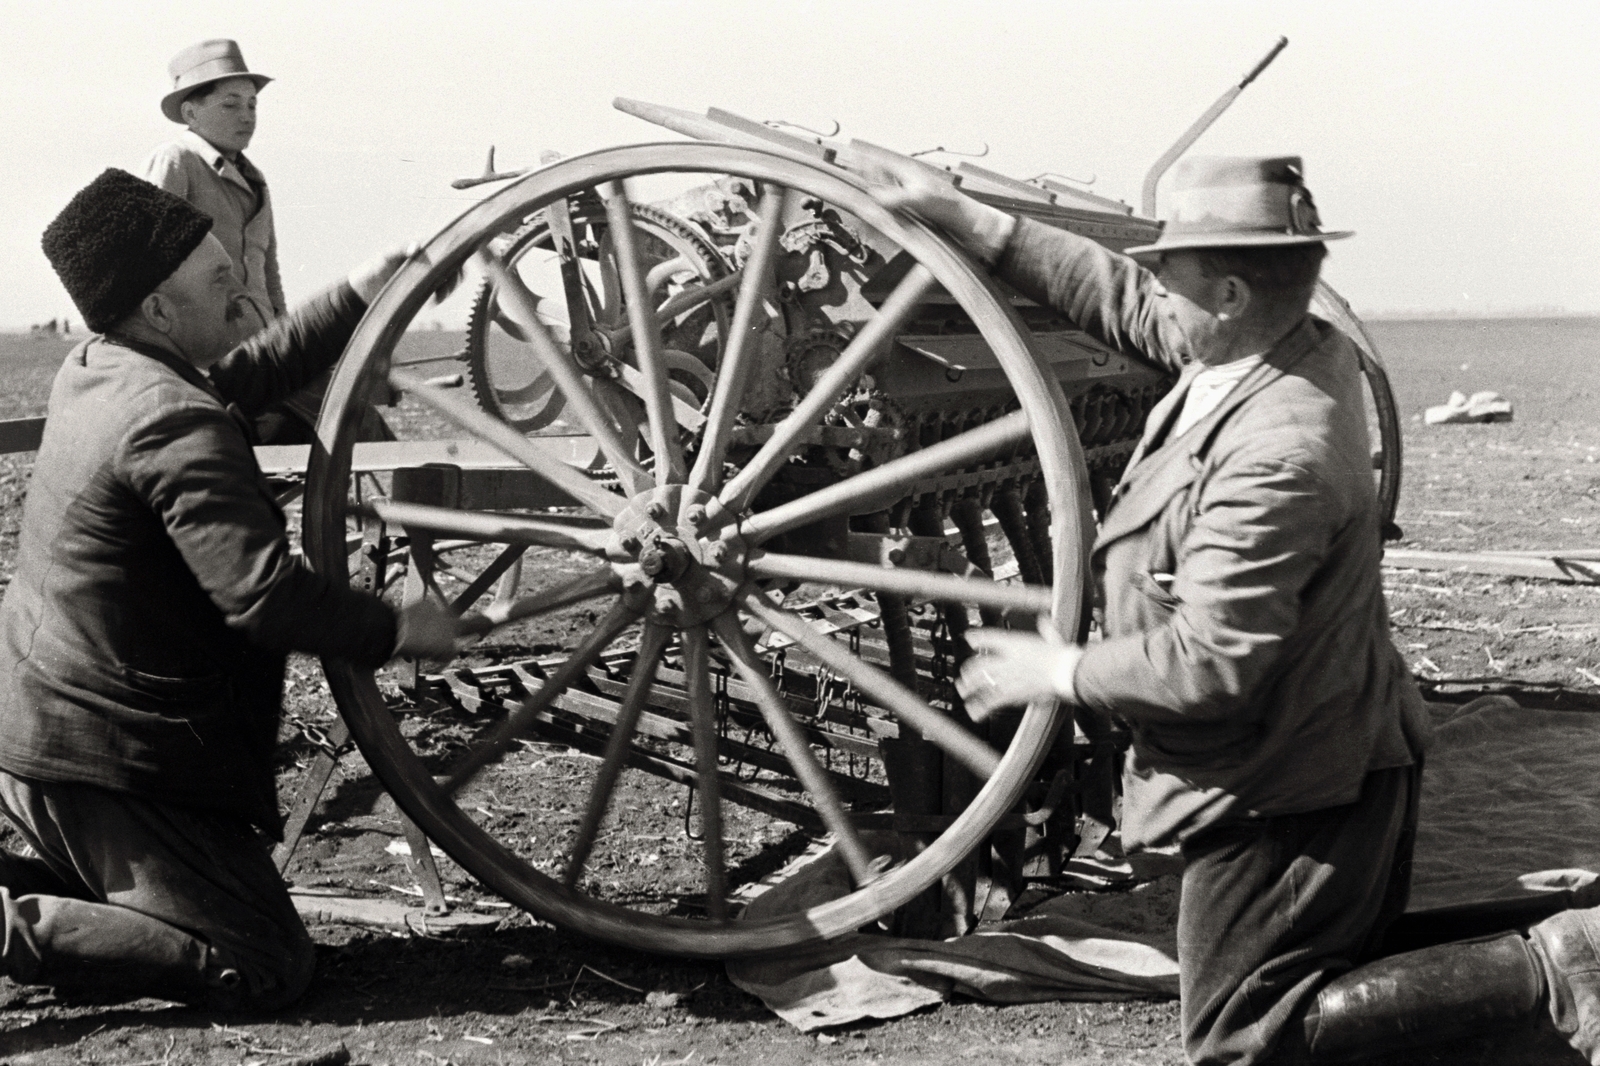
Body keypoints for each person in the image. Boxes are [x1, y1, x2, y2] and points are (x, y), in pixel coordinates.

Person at [874, 154, 1600, 1064]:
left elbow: (1211, 661)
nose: (1151, 289)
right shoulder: (1279, 348)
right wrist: (972, 221)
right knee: (1332, 988)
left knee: (1245, 1037)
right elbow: (1123, 304)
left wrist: (1059, 670)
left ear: (1225, 295)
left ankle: (1560, 965)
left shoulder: (1276, 453)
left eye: (1166, 274)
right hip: (1331, 748)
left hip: (1285, 785)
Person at [0, 168, 461, 1010]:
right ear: (158, 310)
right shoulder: (169, 418)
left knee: (212, 923)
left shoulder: (105, 365)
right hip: (105, 762)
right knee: (263, 964)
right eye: (220, 280)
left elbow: (243, 376)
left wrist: (357, 293)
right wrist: (398, 628)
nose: (243, 290)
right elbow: (262, 596)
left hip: (57, 732)